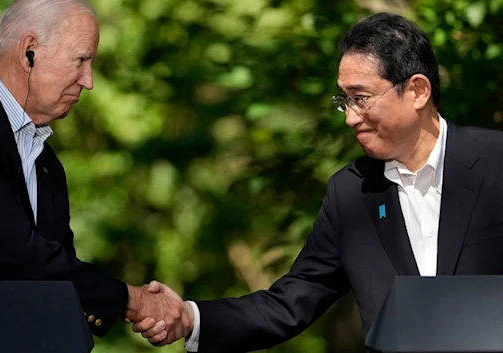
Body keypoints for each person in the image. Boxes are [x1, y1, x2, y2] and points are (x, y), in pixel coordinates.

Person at [131, 12, 503, 352]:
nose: (350, 118)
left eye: (361, 98)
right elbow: (292, 301)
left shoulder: (495, 162)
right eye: (344, 101)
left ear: (418, 91)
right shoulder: (351, 192)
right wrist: (192, 318)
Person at [0, 0, 191, 340]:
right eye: (81, 60)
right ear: (29, 52)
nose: (89, 81)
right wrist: (133, 300)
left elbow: (57, 282)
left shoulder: (46, 164)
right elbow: (13, 255)